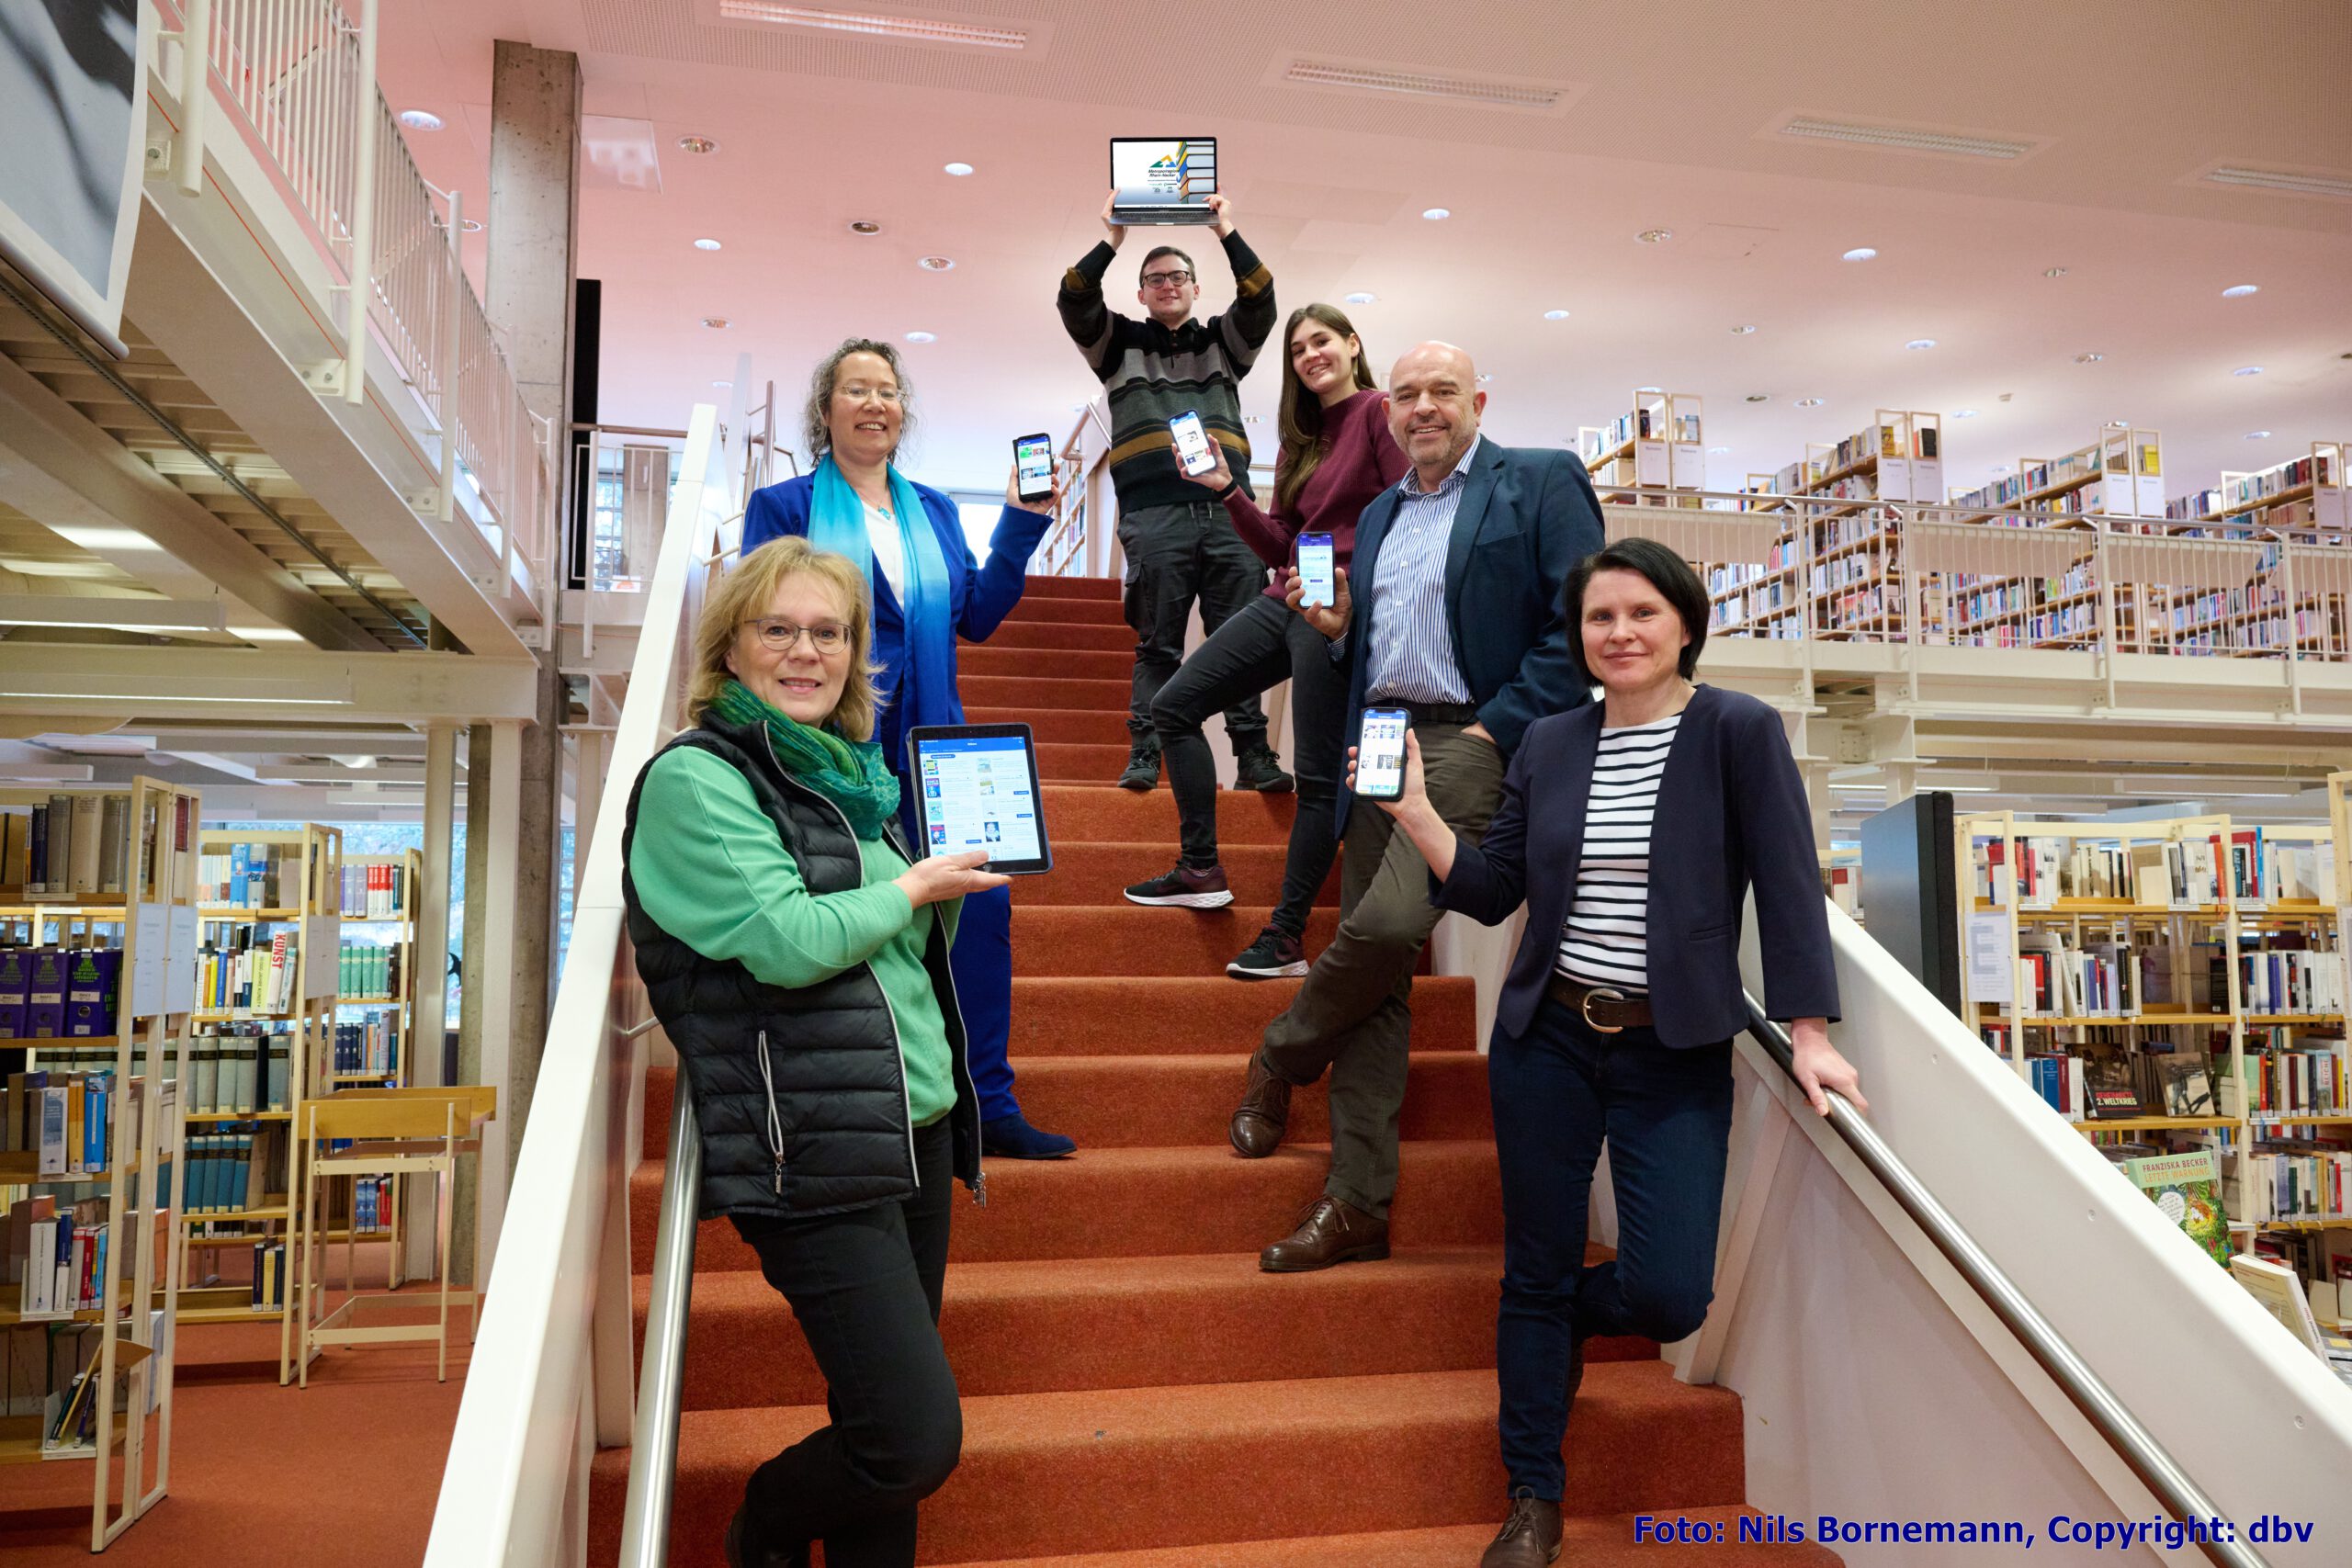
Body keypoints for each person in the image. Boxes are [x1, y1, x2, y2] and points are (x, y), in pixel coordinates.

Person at [1363, 536, 1866, 1566]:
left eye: (1642, 613)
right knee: (1535, 1269)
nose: (1620, 633)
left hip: (1670, 1050)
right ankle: (1532, 1498)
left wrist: (1809, 1034)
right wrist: (1416, 816)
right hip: (1546, 1039)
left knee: (1669, 1294)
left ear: (1685, 624)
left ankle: (1566, 1324)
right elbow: (1496, 889)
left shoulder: (1737, 730)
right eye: (1600, 617)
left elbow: (1786, 886)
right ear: (1579, 636)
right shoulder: (1549, 743)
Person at [620, 536, 1008, 1568]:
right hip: (810, 1145)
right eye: (779, 629)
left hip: (916, 1126)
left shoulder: (850, 783)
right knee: (909, 1437)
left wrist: (937, 888)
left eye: (829, 632)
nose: (807, 651)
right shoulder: (696, 779)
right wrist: (911, 887)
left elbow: (898, 951)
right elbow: (787, 939)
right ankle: (764, 1524)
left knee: (877, 1421)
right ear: (731, 647)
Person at [1226, 341, 1602, 1270]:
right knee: (1381, 974)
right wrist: (1338, 630)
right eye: (1406, 395)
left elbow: (1578, 627)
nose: (1422, 406)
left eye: (1442, 391)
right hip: (1381, 735)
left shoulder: (1540, 480)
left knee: (1392, 923)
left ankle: (1281, 1051)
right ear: (1386, 411)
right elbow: (1383, 639)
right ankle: (1357, 1202)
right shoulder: (1383, 511)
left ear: (1479, 401)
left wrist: (1491, 731)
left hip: (1471, 736)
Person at [742, 339, 1075, 1160]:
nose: (874, 403)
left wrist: (1020, 522)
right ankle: (878, 1101)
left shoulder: (933, 509)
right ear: (826, 411)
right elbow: (763, 624)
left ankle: (987, 1100)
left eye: (887, 391)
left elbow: (979, 616)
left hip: (938, 745)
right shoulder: (784, 506)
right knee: (864, 912)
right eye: (856, 389)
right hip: (833, 752)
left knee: (982, 907)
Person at [1120, 303, 1408, 982]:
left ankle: (1285, 936)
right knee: (1173, 706)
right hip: (1286, 594)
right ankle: (1200, 867)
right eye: (1298, 349)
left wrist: (1358, 591)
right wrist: (1227, 488)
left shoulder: (1378, 412)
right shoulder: (1299, 439)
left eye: (1322, 341)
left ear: (1353, 344)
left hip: (1337, 606)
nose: (1311, 355)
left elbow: (1409, 507)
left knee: (1316, 777)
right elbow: (1280, 543)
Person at [1058, 189, 1288, 792]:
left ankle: (1253, 755)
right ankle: (1145, 750)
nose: (1168, 285)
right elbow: (1075, 297)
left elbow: (1260, 297)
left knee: (1241, 641)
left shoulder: (1223, 344)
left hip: (1230, 511)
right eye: (1155, 278)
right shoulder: (1118, 345)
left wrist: (1224, 229)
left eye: (1178, 276)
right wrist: (1112, 237)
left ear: (1194, 287)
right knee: (1158, 645)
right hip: (1153, 513)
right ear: (1140, 293)